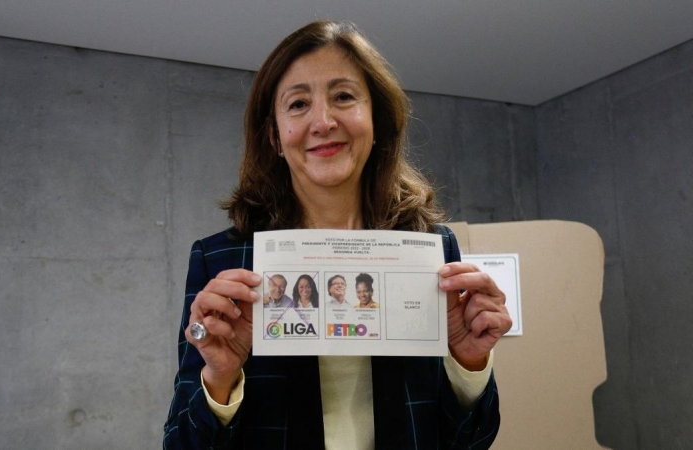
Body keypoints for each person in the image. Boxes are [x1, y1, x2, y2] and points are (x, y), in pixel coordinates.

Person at [163, 20, 511, 449]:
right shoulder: (220, 261)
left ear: (376, 119)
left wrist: (469, 362)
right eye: (297, 104)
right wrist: (219, 379)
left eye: (343, 97)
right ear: (274, 135)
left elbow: (470, 441)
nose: (323, 121)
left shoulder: (433, 250)